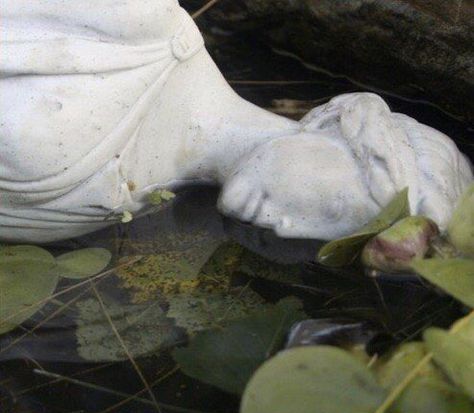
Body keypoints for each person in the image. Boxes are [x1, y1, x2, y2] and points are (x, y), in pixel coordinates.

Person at [1, 0, 472, 243]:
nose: (289, 229)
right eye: (329, 210)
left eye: (326, 234)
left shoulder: (108, 215)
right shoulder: (135, 26)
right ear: (340, 125)